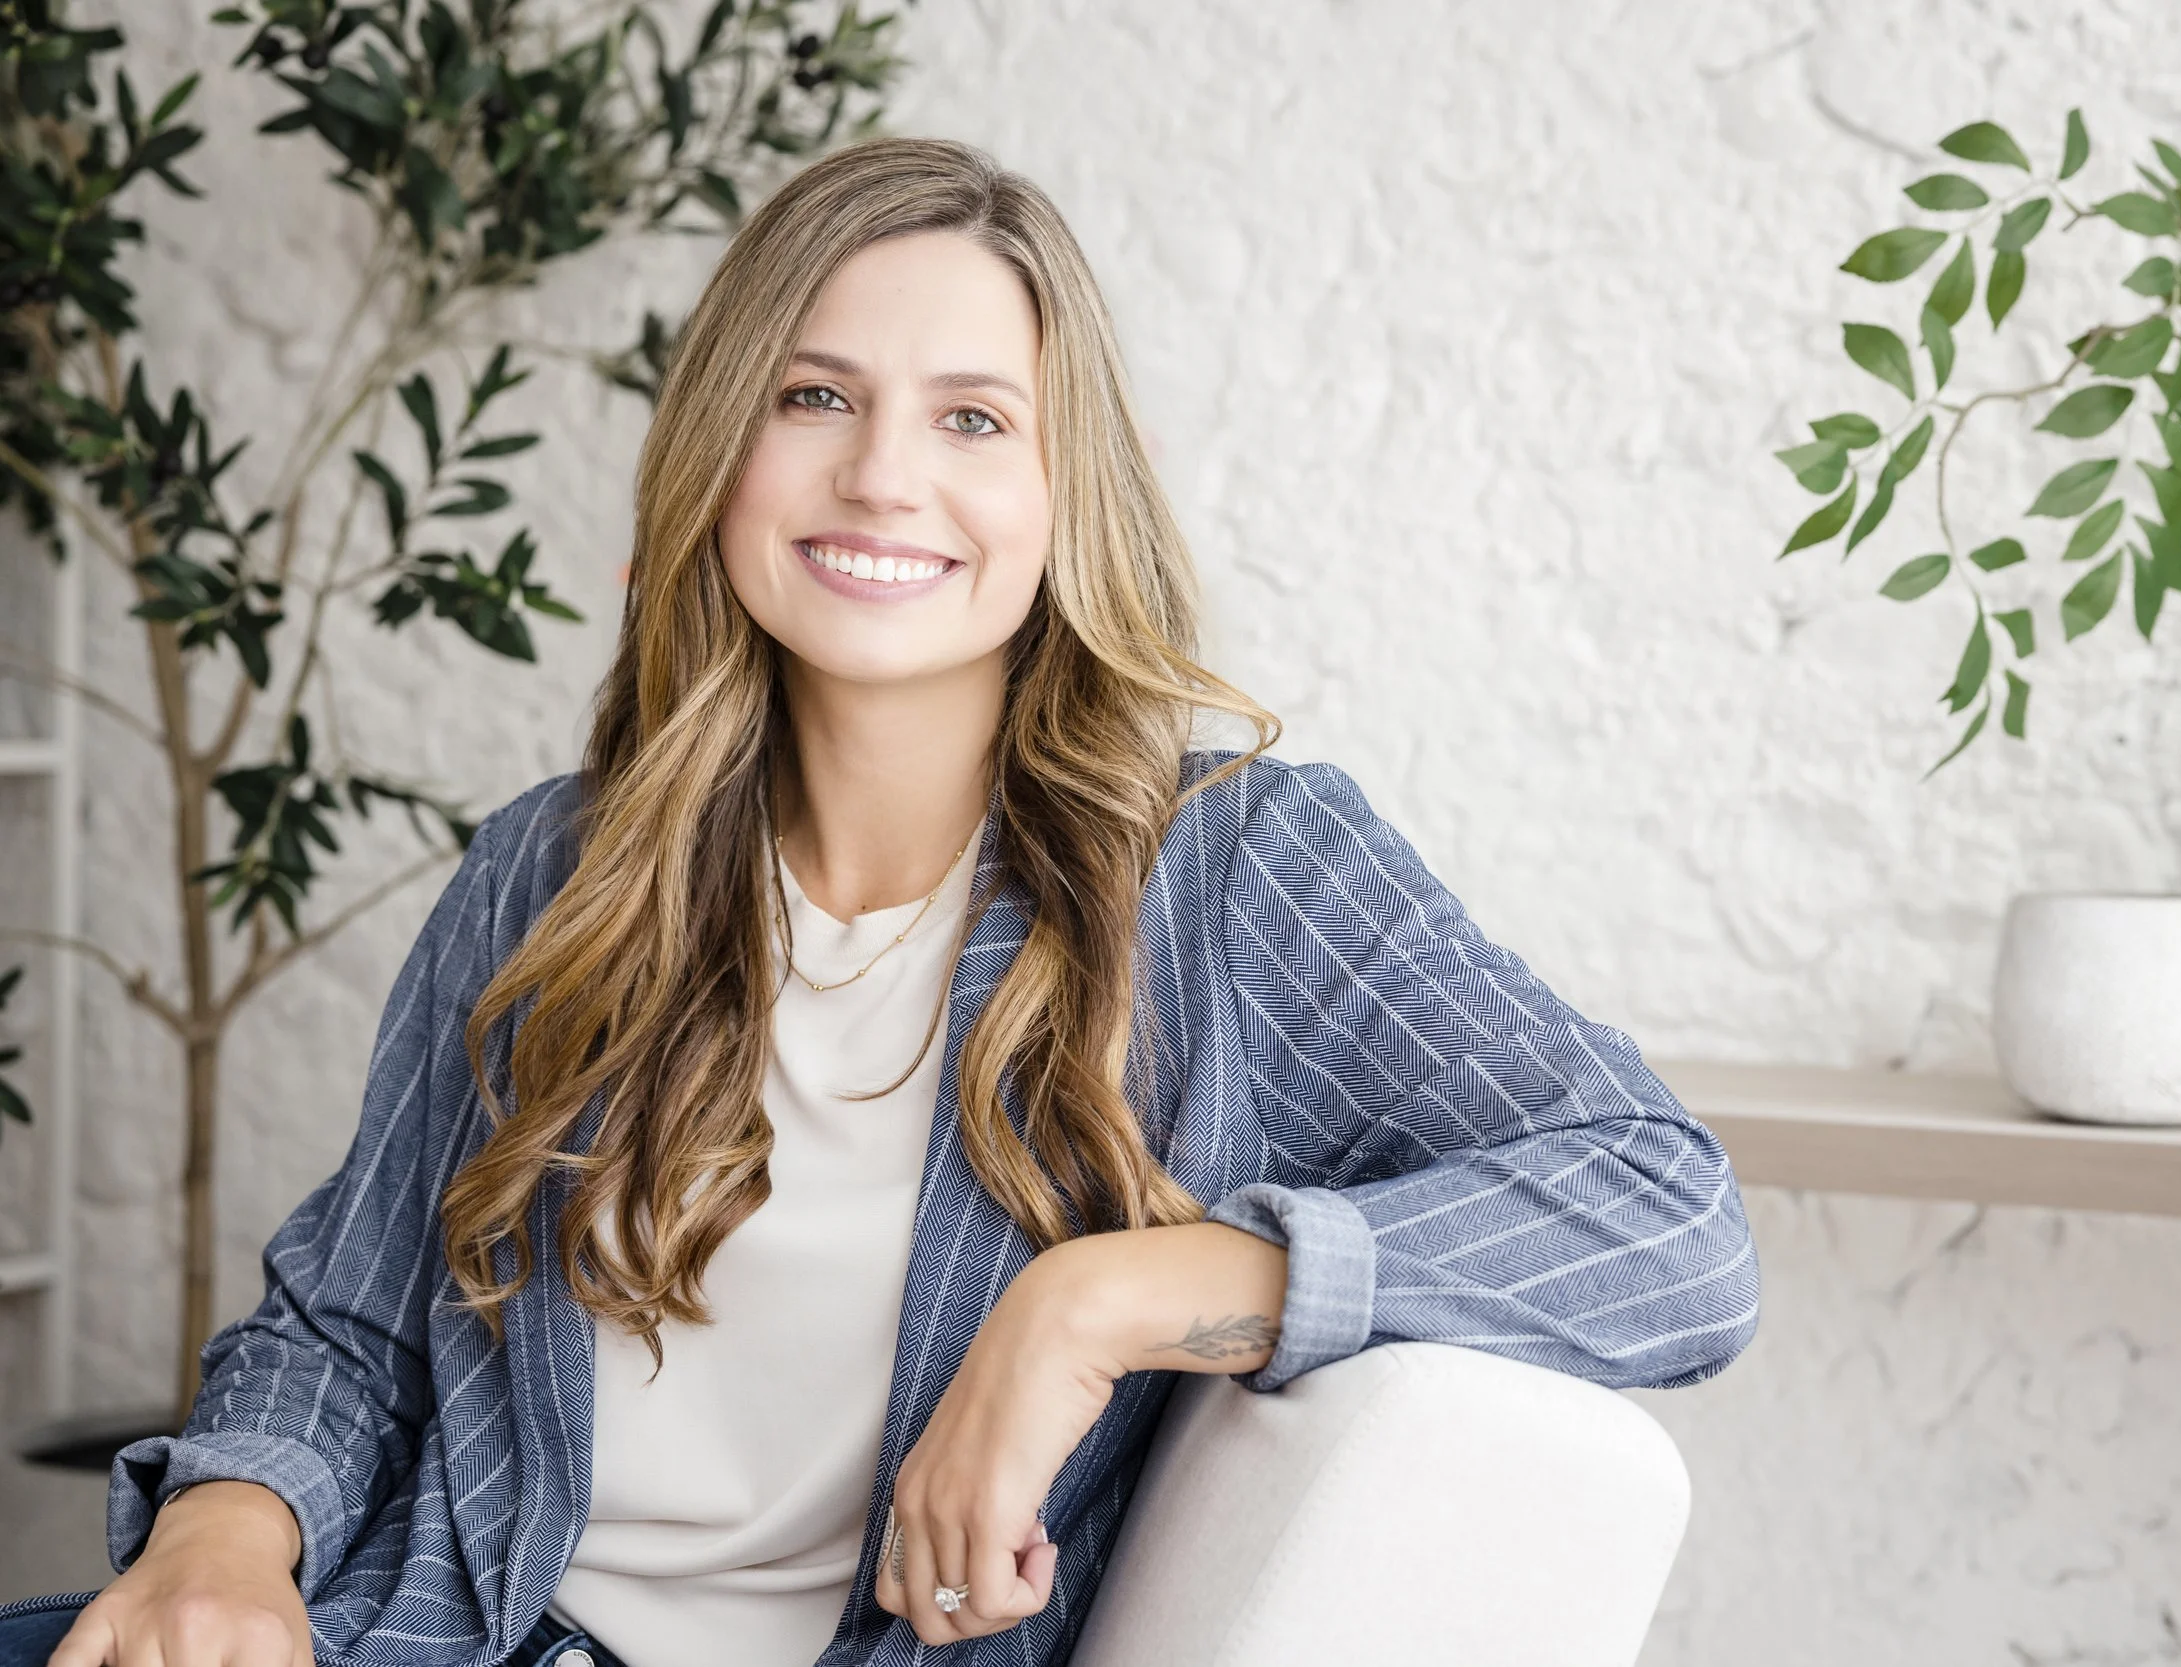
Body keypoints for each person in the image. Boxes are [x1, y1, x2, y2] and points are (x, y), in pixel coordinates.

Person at [1, 136, 1759, 1667]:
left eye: (973, 418)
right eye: (815, 395)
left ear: (1067, 492)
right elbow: (348, 1317)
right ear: (726, 448)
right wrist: (225, 1530)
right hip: (417, 1627)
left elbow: (1666, 1216)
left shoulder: (1231, 871)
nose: (881, 477)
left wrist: (1098, 1304)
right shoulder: (559, 866)